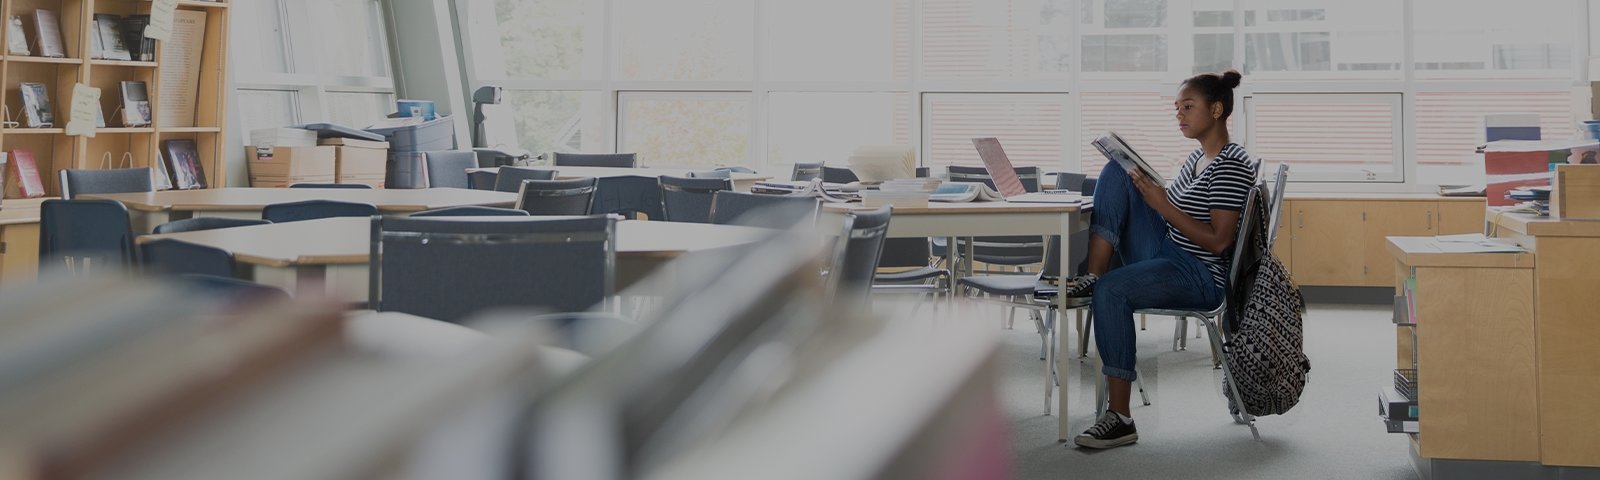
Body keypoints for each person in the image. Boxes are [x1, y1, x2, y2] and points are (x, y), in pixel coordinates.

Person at [1068, 70, 1260, 449]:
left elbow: (1219, 242)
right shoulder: (1196, 158)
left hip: (1200, 274)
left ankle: (1120, 419)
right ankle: (1093, 274)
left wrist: (1161, 203)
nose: (1180, 115)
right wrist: (1152, 193)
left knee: (1111, 292)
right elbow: (1176, 212)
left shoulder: (1231, 164)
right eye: (1177, 109)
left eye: (1188, 107)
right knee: (1117, 170)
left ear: (1217, 110)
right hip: (1170, 251)